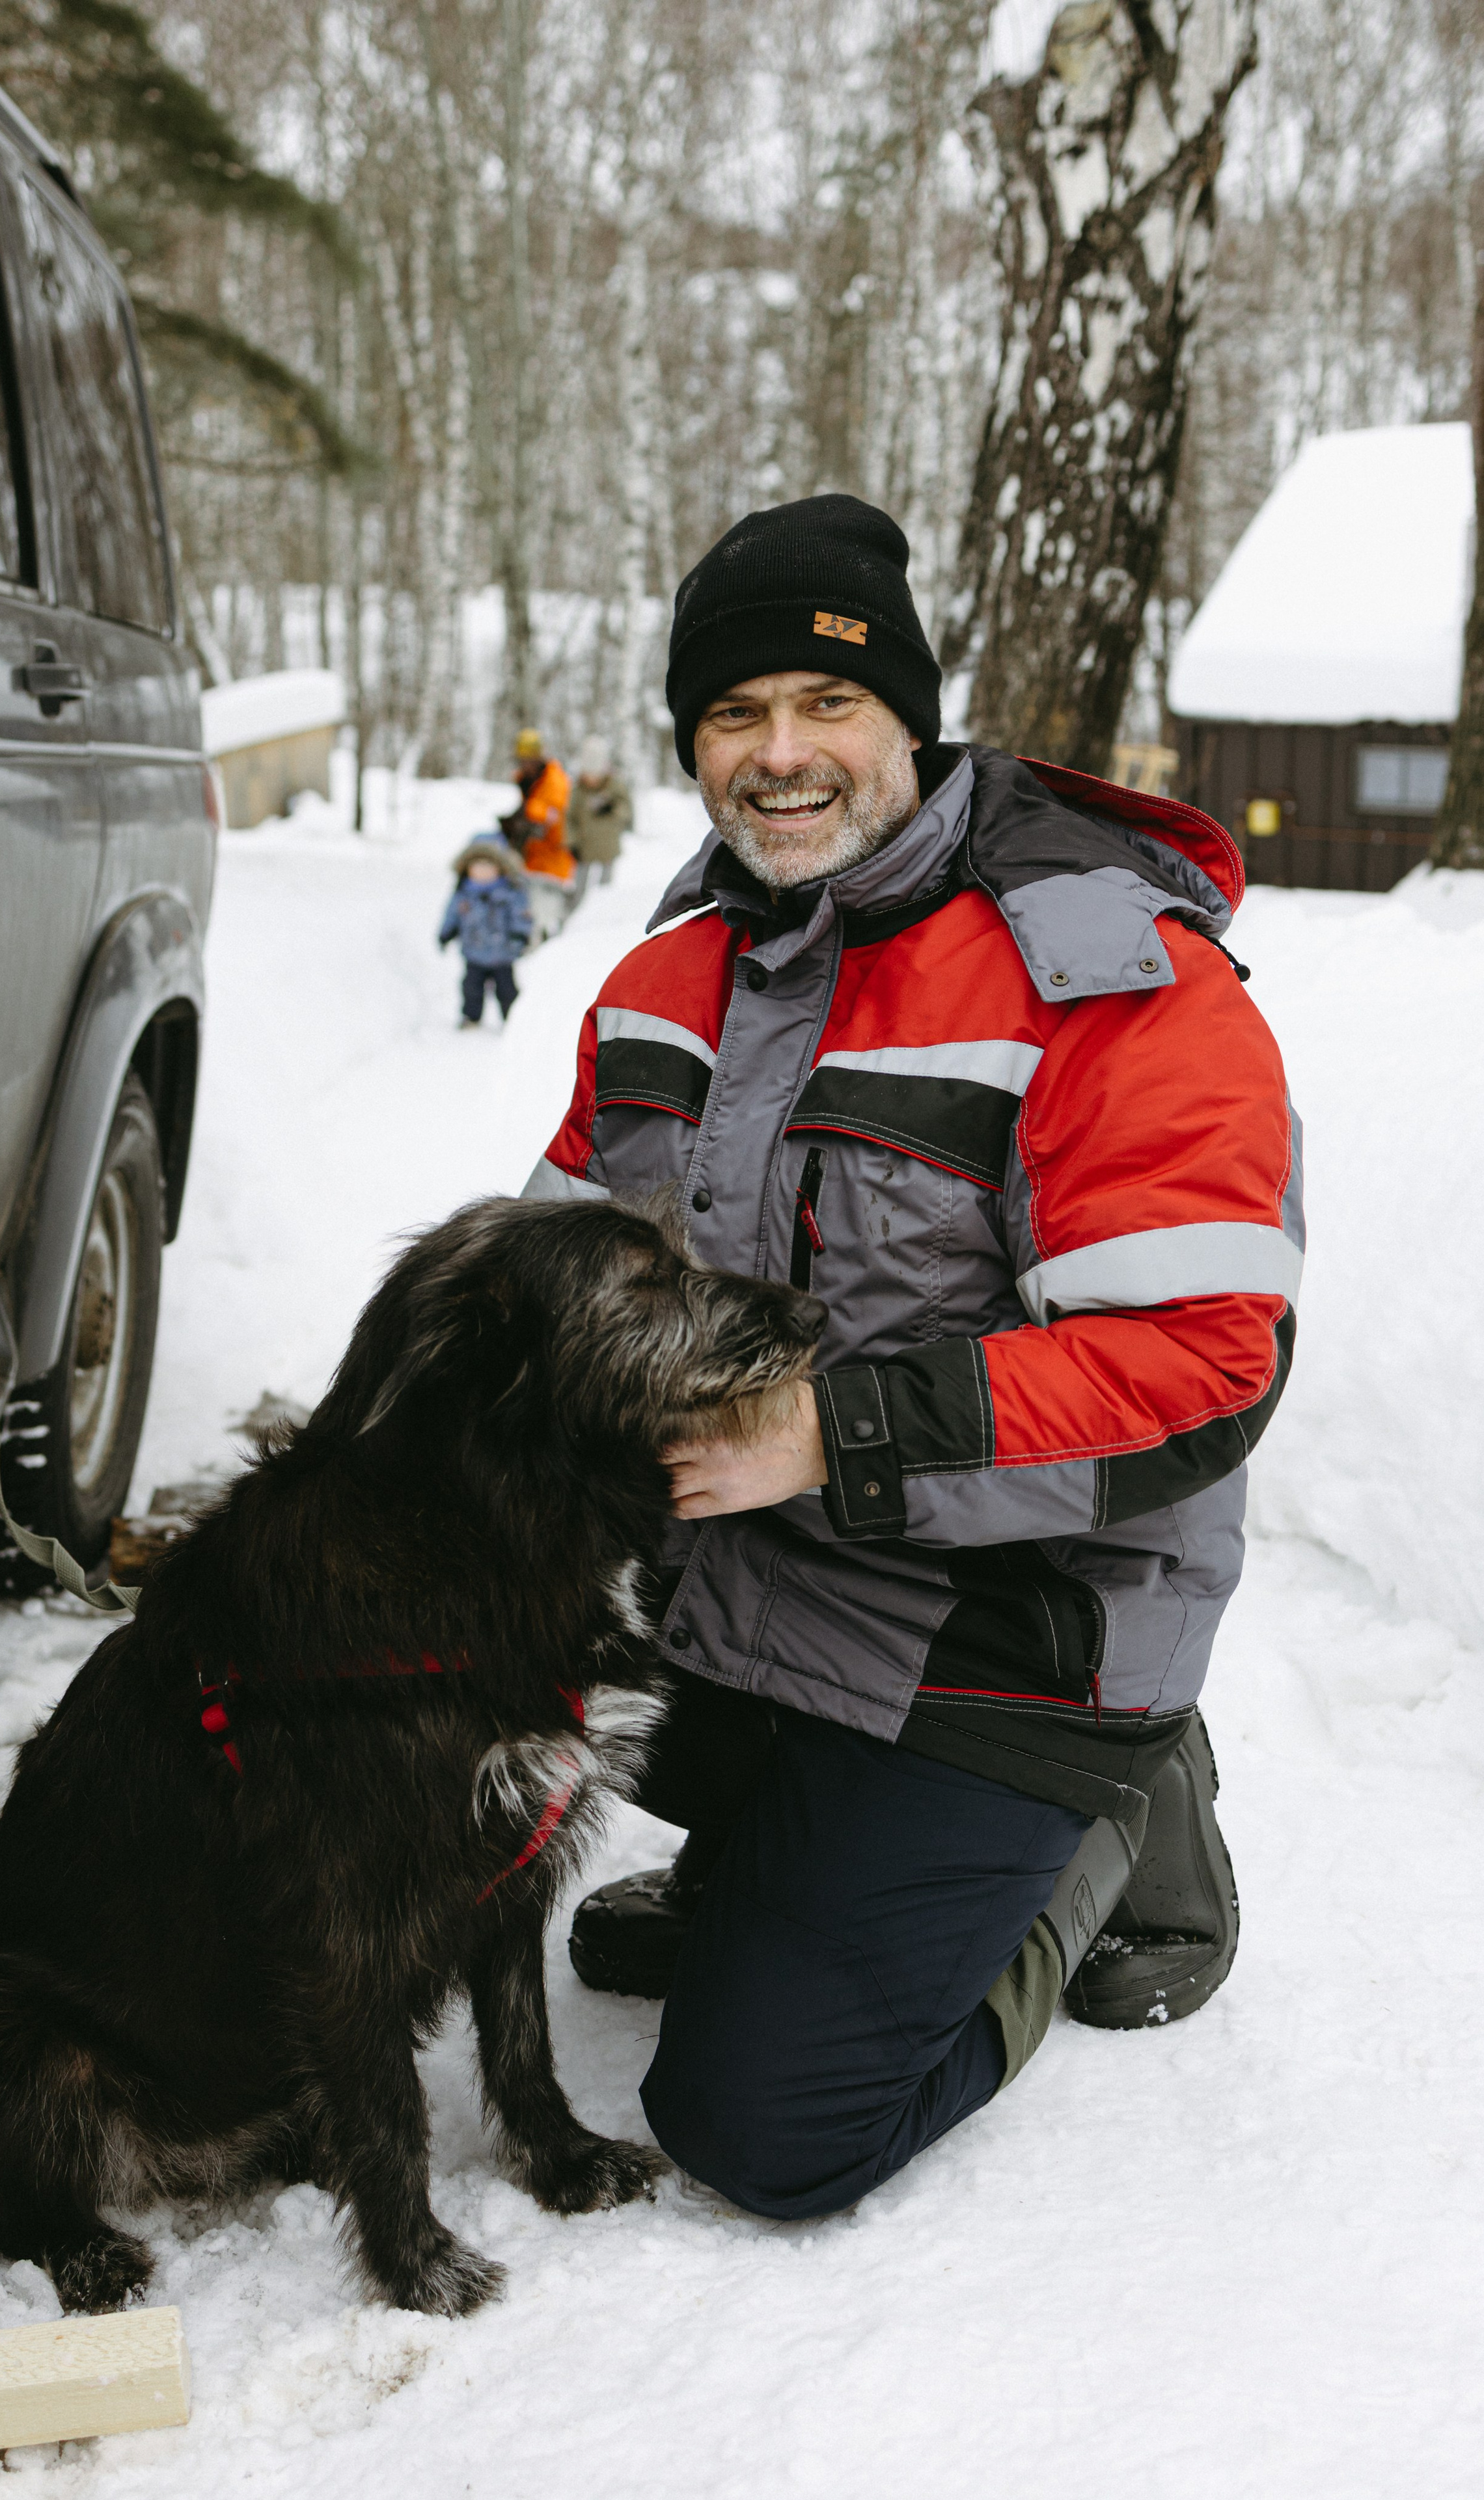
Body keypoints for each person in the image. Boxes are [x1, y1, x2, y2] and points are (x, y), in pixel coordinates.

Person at [524, 493, 1299, 2222]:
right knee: (448, 1674)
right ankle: (795, 1864)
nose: (778, 754)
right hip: (756, 1575)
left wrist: (826, 1433)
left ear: (913, 719)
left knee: (764, 2123)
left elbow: (1202, 1368)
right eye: (734, 714)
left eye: (828, 704)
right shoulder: (671, 969)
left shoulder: (1100, 971)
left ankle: (1097, 1834)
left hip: (1016, 1612)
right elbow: (549, 1267)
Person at [438, 835, 531, 1028]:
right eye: (477, 867)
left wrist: (520, 935)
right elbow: (452, 915)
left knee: (507, 991)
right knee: (471, 989)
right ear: (467, 869)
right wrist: (447, 933)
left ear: (499, 868)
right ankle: (471, 1017)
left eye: (488, 866)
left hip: (503, 954)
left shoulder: (510, 893)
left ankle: (512, 1020)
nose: (482, 871)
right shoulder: (463, 893)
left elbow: (521, 916)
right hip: (474, 953)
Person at [503, 728, 574, 881]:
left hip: (553, 863)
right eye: (522, 761)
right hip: (533, 860)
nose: (525, 766)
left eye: (530, 761)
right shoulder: (529, 781)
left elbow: (554, 816)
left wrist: (528, 811)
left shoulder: (555, 780)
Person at [568, 736, 633, 891]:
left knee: (605, 891)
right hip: (584, 848)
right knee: (580, 889)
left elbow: (627, 811)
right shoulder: (578, 791)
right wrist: (571, 843)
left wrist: (612, 808)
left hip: (607, 848)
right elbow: (570, 818)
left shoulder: (615, 786)